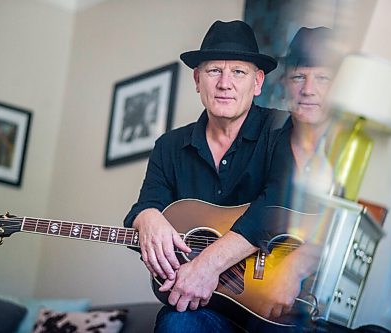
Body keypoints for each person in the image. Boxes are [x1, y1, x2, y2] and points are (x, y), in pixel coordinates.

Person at [123, 19, 302, 332]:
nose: (225, 83)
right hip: (200, 309)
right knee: (176, 325)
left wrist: (208, 265)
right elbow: (148, 203)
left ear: (257, 82)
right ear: (197, 79)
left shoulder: (282, 130)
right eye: (214, 71)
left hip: (271, 308)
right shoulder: (169, 146)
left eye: (238, 72)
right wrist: (147, 216)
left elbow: (278, 203)